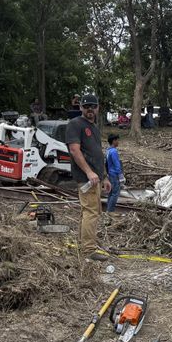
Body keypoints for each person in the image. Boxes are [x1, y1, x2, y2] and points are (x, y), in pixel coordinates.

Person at [65, 94, 110, 261]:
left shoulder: (95, 127)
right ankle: (88, 251)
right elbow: (75, 151)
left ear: (97, 108)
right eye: (86, 106)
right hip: (87, 178)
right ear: (80, 108)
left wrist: (104, 176)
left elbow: (97, 154)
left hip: (95, 178)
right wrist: (89, 172)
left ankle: (83, 244)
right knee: (91, 212)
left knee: (90, 212)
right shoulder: (75, 124)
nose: (90, 109)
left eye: (93, 106)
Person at [106, 134, 124, 213]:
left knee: (111, 193)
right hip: (114, 175)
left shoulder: (108, 150)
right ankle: (110, 212)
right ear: (114, 141)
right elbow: (116, 164)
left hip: (110, 174)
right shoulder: (113, 151)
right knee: (115, 194)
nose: (118, 142)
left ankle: (108, 210)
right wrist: (120, 176)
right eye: (117, 140)